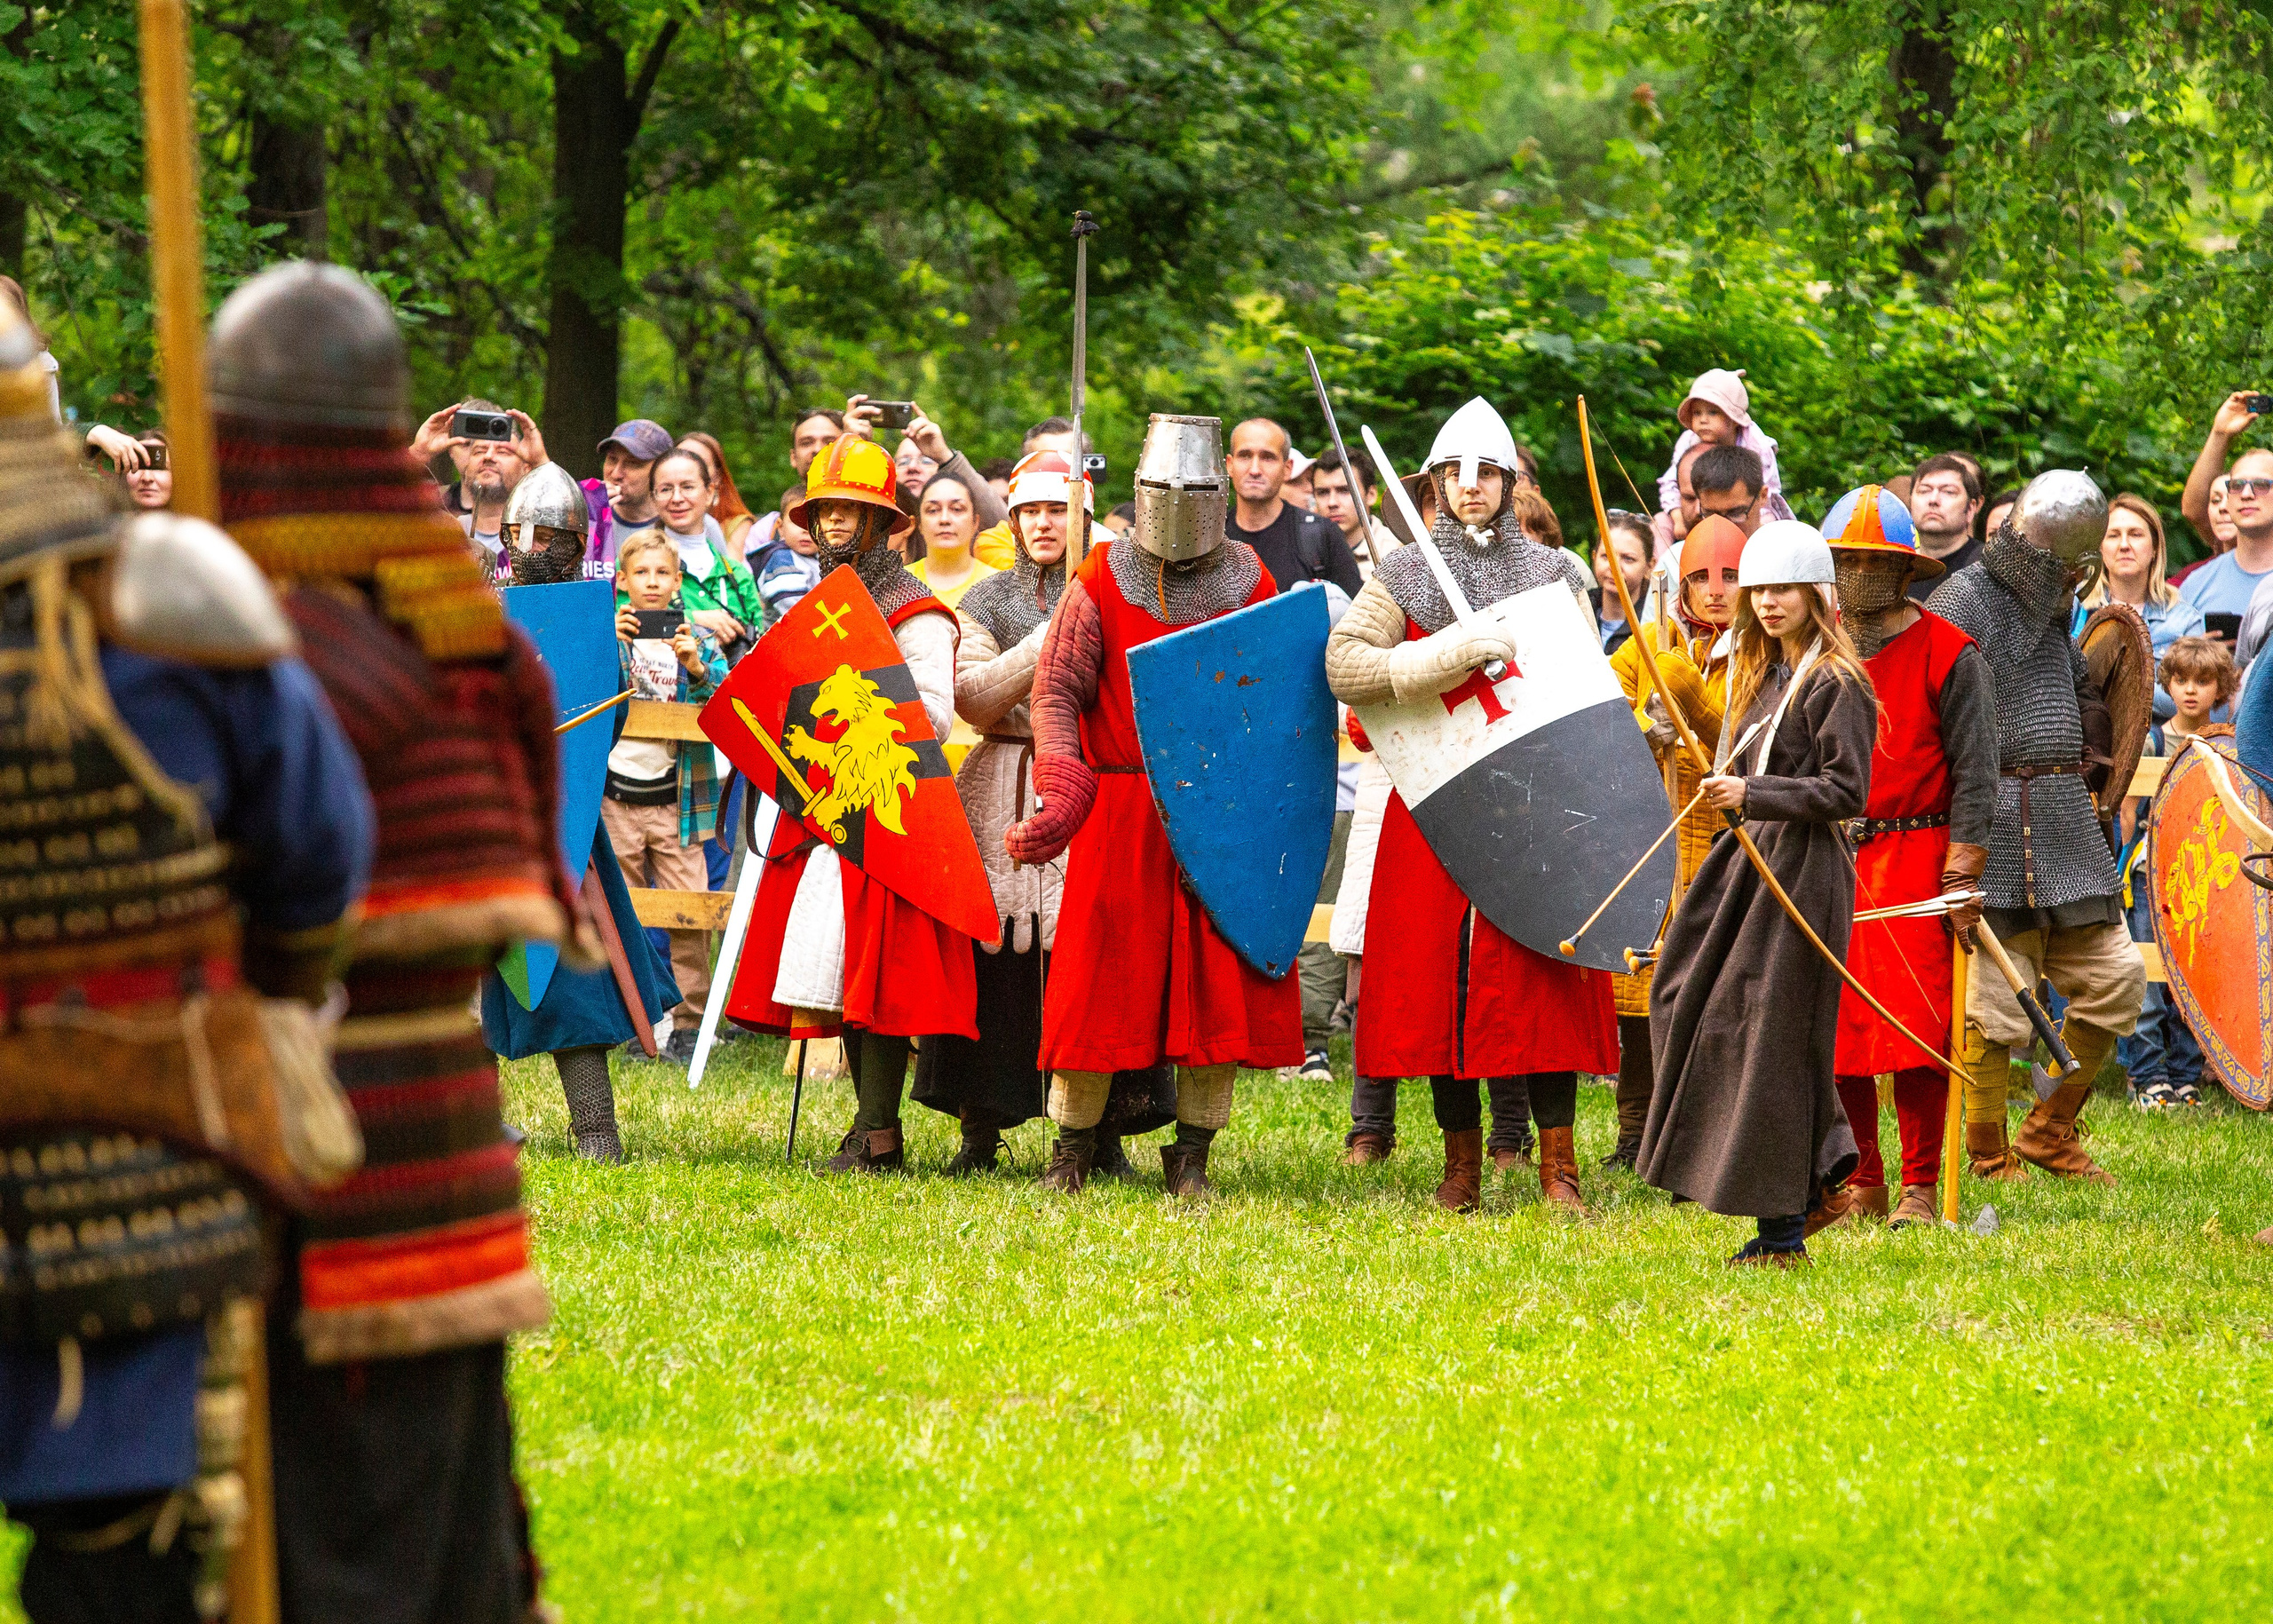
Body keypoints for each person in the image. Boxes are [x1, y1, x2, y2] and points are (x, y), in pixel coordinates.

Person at [211, 261, 577, 1623]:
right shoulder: (468, 628)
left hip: (282, 1148)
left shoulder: (245, 636)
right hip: (448, 1149)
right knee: (446, 1531)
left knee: (322, 1542)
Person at [0, 305, 371, 1624]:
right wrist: (265, 984)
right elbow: (317, 859)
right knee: (119, 1541)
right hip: (138, 1133)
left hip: (133, 1145)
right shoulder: (165, 599)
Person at [1324, 396, 1616, 1215]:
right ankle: (1461, 1169)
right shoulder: (1406, 573)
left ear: (1510, 480)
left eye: (1486, 471)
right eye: (1455, 472)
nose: (1470, 484)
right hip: (1438, 801)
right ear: (1437, 482)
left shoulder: (1559, 574)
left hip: (1534, 805)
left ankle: (1560, 1167)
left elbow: (1582, 689)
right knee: (1438, 987)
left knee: (1543, 985)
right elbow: (1345, 664)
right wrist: (1440, 655)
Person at [1006, 413, 1303, 1195]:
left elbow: (1274, 702)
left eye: (1194, 488)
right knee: (1096, 984)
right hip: (1123, 808)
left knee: (1211, 985)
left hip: (1218, 818)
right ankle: (1071, 1151)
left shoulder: (1250, 580)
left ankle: (1193, 1155)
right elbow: (1058, 692)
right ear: (1139, 490)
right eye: (1163, 487)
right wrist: (1066, 783)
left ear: (1220, 492)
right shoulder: (1100, 577)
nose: (1177, 501)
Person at [914, 450, 1176, 1174]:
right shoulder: (988, 597)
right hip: (1003, 775)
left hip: (1097, 784)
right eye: (1029, 510)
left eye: (1056, 508)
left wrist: (1085, 614)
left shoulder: (1123, 588)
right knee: (994, 955)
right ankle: (980, 1126)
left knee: (1098, 955)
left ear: (1082, 512)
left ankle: (1104, 1131)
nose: (1042, 522)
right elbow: (971, 695)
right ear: (1013, 516)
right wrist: (1052, 638)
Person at [725, 434, 979, 1172]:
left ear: (880, 522)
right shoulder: (819, 604)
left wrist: (843, 718)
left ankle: (877, 1132)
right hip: (830, 815)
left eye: (851, 510)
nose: (835, 524)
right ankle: (872, 1130)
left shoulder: (917, 612)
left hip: (893, 814)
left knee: (883, 983)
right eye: (826, 510)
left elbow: (930, 716)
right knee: (843, 973)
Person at [1639, 519, 1873, 1265]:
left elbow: (1846, 790)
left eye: (1785, 589)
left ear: (1815, 594)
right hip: (1748, 863)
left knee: (1772, 1038)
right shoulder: (1761, 672)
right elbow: (1746, 755)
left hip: (1803, 869)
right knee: (1682, 994)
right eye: (1760, 588)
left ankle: (1786, 1228)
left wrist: (1752, 790)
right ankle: (1824, 1170)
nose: (1770, 602)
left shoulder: (1838, 682)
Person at [1927, 471, 2145, 1184]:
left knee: (2118, 979)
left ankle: (2050, 1127)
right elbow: (1936, 717)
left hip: (2061, 827)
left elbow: (2074, 700)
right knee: (1992, 1009)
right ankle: (1986, 1155)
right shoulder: (1962, 601)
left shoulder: (2052, 607)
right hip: (1990, 824)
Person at [481, 488, 681, 1158]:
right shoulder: (479, 608)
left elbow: (604, 718)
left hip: (562, 830)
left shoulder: (589, 623)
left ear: (570, 543)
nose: (528, 546)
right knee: (467, 981)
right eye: (518, 532)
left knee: (574, 984)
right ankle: (473, 1124)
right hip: (481, 825)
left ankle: (596, 1130)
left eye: (543, 535)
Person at [1821, 485, 1998, 1228]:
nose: (1859, 574)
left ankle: (1921, 1185)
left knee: (1920, 1029)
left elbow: (1977, 769)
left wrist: (1961, 870)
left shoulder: (1950, 653)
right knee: (1840, 1029)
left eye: (1875, 560)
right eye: (1846, 560)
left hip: (1919, 854)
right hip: (1832, 856)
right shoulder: (1819, 649)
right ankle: (1864, 1177)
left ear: (1904, 568)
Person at [1601, 515, 1748, 1168]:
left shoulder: (1763, 650)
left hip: (1721, 843)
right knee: (1640, 997)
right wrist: (1643, 725)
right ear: (1680, 585)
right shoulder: (1641, 646)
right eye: (1700, 578)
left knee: (1709, 1000)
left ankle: (1693, 1137)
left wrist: (1687, 694)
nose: (1715, 591)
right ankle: (1635, 1133)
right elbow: (1603, 730)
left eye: (1730, 577)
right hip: (1651, 838)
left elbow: (1748, 745)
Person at [605, 529, 730, 1062]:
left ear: (678, 582)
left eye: (662, 573)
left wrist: (696, 666)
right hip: (617, 798)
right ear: (623, 582)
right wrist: (614, 646)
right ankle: (636, 1018)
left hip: (678, 801)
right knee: (624, 911)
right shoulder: (607, 635)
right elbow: (582, 693)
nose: (652, 583)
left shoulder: (695, 641)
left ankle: (692, 1023)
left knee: (690, 912)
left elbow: (726, 700)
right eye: (642, 573)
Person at [2118, 636, 2232, 1108]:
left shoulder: (2228, 742)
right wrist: (2118, 863)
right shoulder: (2153, 739)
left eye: (2202, 682)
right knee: (2148, 976)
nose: (2190, 691)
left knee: (2195, 976)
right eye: (2181, 680)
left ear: (2220, 688)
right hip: (2150, 870)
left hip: (2205, 876)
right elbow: (2127, 808)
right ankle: (2147, 1078)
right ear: (2167, 683)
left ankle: (2186, 1076)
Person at [843, 394, 1011, 564]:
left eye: (925, 460)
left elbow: (1004, 525)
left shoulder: (957, 523)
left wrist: (945, 456)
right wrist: (852, 448)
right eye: (903, 461)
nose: (913, 467)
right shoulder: (876, 517)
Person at [2077, 494, 2206, 700]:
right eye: (2113, 536)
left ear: (2155, 548)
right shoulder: (2076, 610)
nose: (2124, 545)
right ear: (2100, 548)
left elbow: (2193, 700)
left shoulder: (2184, 621)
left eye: (2136, 534)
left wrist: (2110, 687)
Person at [1225, 417, 1363, 599]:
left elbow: (1357, 620)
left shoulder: (1321, 535)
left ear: (1287, 468)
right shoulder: (1209, 538)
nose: (1255, 469)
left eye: (1268, 457)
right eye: (1245, 456)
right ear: (1229, 465)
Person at [650, 445, 764, 657]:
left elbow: (765, 646)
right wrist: (694, 619)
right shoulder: (636, 562)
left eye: (687, 487)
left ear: (710, 493)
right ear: (653, 499)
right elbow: (627, 626)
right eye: (665, 489)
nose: (676, 498)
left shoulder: (738, 577)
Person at [407, 398, 539, 575]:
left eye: (503, 451)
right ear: (466, 467)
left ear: (526, 467)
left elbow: (583, 515)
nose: (489, 456)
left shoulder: (542, 534)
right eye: (479, 451)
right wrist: (418, 453)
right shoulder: (440, 526)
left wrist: (541, 462)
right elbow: (377, 514)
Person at [1654, 368, 1794, 528]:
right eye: (1697, 413)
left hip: (1750, 515)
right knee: (1660, 522)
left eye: (1713, 412)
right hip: (1696, 516)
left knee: (1767, 526)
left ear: (1734, 419)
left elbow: (1768, 492)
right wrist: (1677, 516)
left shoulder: (1756, 445)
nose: (1703, 420)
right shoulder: (1688, 441)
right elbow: (1670, 481)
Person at [2179, 442, 2273, 651]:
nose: (2247, 494)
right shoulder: (2195, 585)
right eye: (2237, 486)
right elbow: (2167, 675)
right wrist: (2195, 658)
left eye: (2261, 484)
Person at [908, 469, 999, 608]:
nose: (945, 519)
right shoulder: (899, 583)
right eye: (933, 510)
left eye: (957, 509)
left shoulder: (998, 587)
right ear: (919, 523)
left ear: (975, 522)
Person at [1905, 454, 1984, 599]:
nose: (1933, 500)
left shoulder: (1986, 566)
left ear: (1971, 508)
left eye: (1948, 492)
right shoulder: (1897, 569)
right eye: (1924, 491)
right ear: (1910, 503)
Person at [677, 429, 758, 565]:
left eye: (700, 465)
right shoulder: (657, 520)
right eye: (679, 461)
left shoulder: (738, 525)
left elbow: (734, 577)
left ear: (718, 477)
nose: (686, 471)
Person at [1310, 448, 1395, 570]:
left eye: (1344, 490)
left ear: (1371, 495)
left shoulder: (1397, 552)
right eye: (1323, 492)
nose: (1332, 502)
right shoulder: (1303, 551)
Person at [760, 482, 824, 619]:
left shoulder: (820, 558)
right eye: (797, 522)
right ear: (780, 527)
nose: (805, 530)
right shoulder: (781, 559)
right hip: (789, 633)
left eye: (814, 522)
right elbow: (794, 608)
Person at [1594, 510, 1653, 654]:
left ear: (1649, 567)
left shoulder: (1652, 626)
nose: (1614, 567)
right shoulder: (1578, 613)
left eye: (1628, 558)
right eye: (1606, 556)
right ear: (1594, 557)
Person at [1691, 443, 1770, 538]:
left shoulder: (1785, 550)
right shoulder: (1681, 552)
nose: (1723, 528)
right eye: (1711, 515)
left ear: (1763, 496)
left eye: (1735, 513)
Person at [123, 428, 172, 509]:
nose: (147, 478)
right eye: (137, 466)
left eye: (159, 468)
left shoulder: (192, 521)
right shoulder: (108, 520)